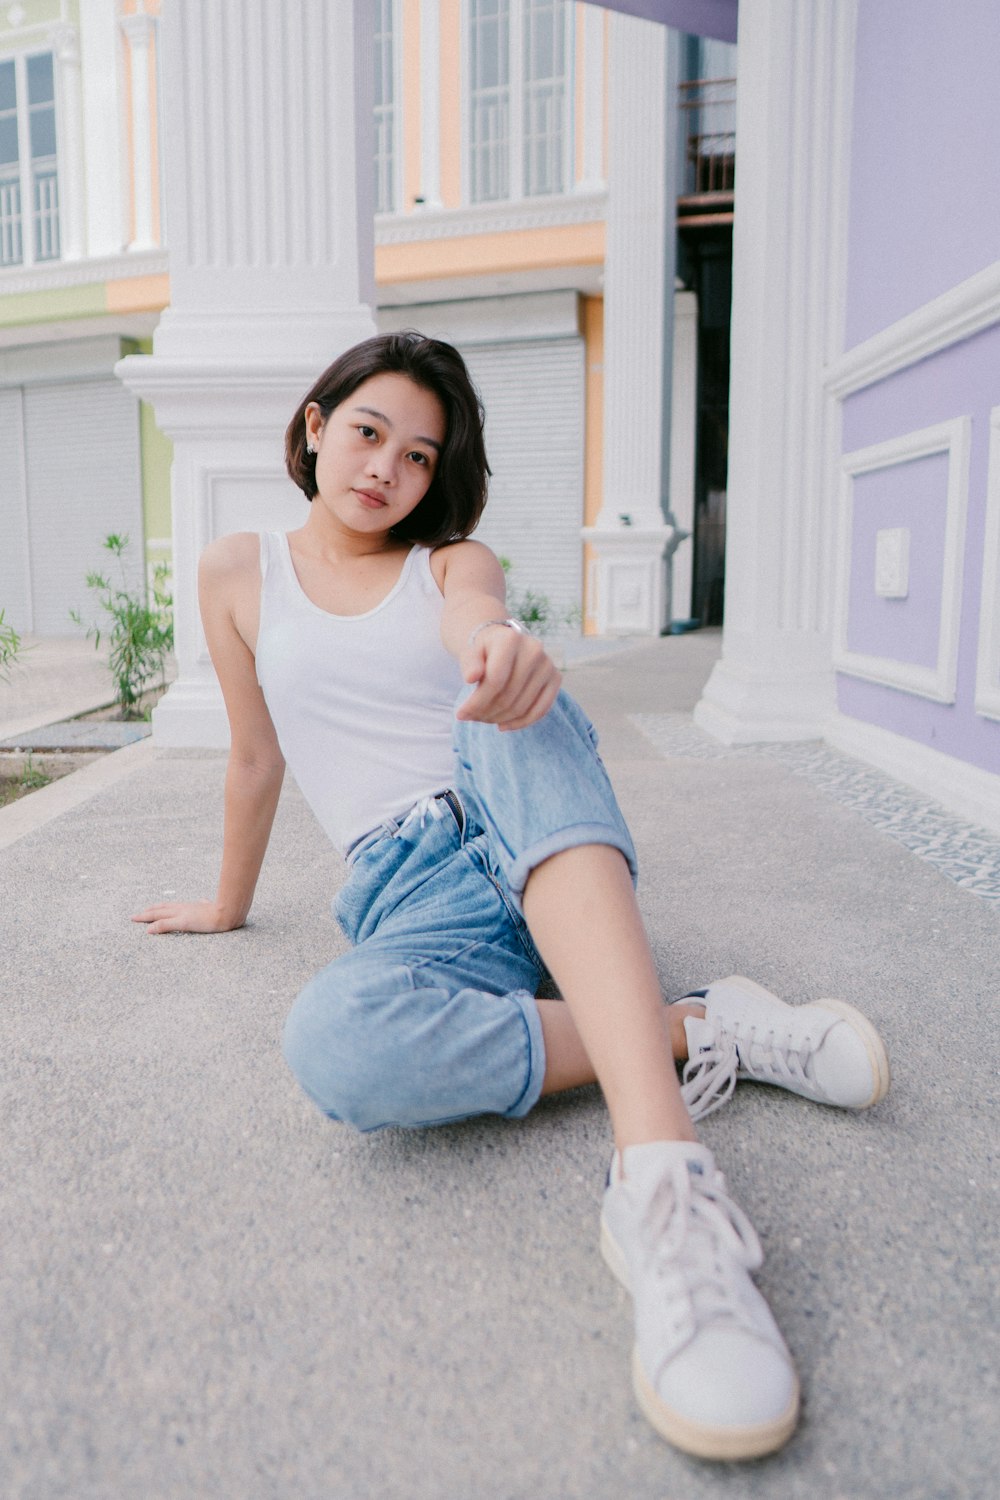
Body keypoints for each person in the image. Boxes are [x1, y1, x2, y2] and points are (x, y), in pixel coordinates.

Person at [133, 331, 890, 1463]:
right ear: (314, 425)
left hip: (520, 811)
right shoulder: (237, 572)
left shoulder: (451, 563)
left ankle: (663, 1188)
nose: (387, 467)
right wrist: (225, 903)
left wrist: (496, 643)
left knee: (508, 703)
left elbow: (473, 617)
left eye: (420, 456)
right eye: (368, 432)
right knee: (333, 1043)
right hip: (416, 894)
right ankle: (688, 1024)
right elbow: (255, 757)